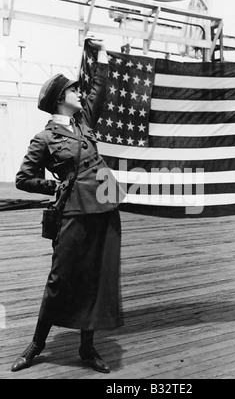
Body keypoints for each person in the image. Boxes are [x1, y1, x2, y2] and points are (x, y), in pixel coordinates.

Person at [11, 38, 124, 374]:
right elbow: (23, 178)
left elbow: (99, 87)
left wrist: (101, 53)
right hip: (74, 209)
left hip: (105, 203)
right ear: (61, 99)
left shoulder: (84, 122)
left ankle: (87, 348)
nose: (80, 93)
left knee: (98, 277)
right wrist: (56, 184)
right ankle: (37, 344)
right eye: (74, 90)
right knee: (60, 278)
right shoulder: (44, 139)